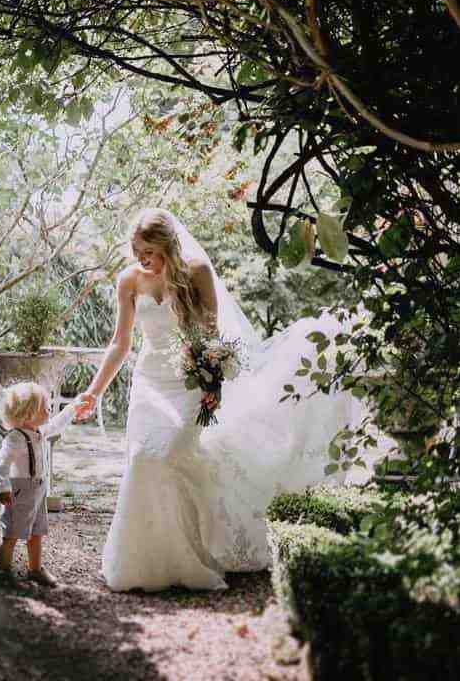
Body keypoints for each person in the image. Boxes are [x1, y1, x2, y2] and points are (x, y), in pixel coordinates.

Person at [75, 208, 366, 591]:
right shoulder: (129, 280)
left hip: (189, 382)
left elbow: (212, 331)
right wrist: (93, 392)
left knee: (172, 453)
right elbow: (121, 343)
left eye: (147, 250)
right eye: (135, 249)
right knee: (145, 459)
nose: (140, 258)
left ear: (166, 245)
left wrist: (212, 382)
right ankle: (145, 564)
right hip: (149, 383)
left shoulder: (196, 271)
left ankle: (192, 557)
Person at [0, 381, 90, 587]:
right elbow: (2, 465)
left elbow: (57, 424)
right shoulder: (15, 438)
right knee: (11, 532)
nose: (49, 411)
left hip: (38, 488)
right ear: (29, 413)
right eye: (45, 408)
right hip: (18, 490)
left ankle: (35, 569)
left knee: (37, 530)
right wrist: (3, 488)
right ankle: (4, 571)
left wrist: (73, 407)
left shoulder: (38, 431)